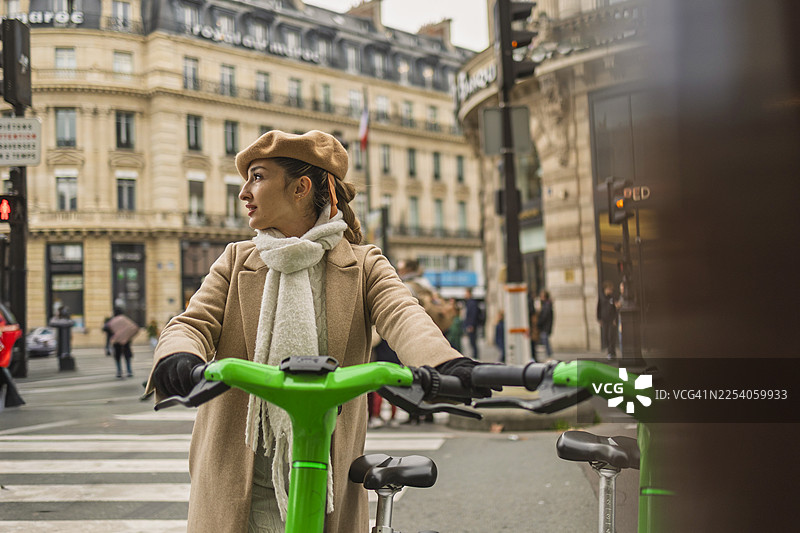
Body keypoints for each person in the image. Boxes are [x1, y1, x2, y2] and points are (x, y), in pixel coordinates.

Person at [145, 130, 489, 533]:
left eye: (258, 176)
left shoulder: (364, 265)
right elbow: (192, 323)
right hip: (238, 484)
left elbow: (404, 315)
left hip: (326, 485)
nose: (244, 192)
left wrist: (446, 365)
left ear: (301, 188)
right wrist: (179, 357)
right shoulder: (236, 260)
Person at [104, 308, 139, 378]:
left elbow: (106, 328)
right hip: (126, 342)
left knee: (117, 357)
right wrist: (128, 337)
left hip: (116, 342)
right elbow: (135, 328)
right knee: (127, 357)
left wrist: (115, 336)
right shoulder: (125, 319)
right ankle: (129, 371)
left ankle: (119, 371)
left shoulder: (112, 321)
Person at [597, 281, 618, 360]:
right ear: (606, 289)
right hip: (604, 320)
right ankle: (609, 351)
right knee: (605, 336)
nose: (611, 291)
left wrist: (615, 319)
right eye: (609, 289)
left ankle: (612, 352)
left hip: (611, 320)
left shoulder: (612, 297)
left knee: (611, 336)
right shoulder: (601, 297)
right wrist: (599, 318)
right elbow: (598, 308)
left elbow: (615, 309)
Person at [463, 287, 483, 359]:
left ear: (469, 293)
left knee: (473, 341)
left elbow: (473, 315)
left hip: (472, 325)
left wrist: (471, 325)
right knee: (472, 341)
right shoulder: (469, 302)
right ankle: (475, 355)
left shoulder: (472, 303)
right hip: (471, 325)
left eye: (466, 293)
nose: (465, 295)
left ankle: (475, 356)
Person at [536, 290, 554, 358]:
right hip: (546, 326)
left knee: (545, 341)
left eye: (541, 296)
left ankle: (549, 355)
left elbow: (544, 317)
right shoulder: (547, 304)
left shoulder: (546, 305)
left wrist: (539, 323)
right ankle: (549, 355)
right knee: (545, 341)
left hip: (545, 327)